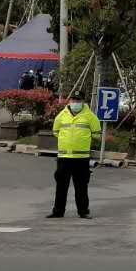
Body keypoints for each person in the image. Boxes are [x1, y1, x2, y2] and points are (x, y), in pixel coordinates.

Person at [48, 90, 100, 219]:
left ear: (83, 102)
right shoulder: (62, 115)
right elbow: (56, 131)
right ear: (69, 101)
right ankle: (58, 211)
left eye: (78, 100)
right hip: (64, 157)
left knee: (81, 187)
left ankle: (83, 211)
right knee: (61, 186)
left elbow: (96, 135)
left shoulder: (90, 116)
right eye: (73, 100)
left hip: (81, 158)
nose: (75, 102)